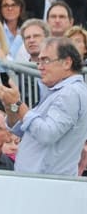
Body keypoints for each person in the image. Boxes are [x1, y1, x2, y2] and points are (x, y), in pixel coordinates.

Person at [7, 37, 87, 175]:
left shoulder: (70, 93)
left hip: (46, 185)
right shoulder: (58, 91)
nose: (40, 67)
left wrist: (18, 104)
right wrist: (12, 105)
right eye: (39, 61)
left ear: (67, 63)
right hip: (40, 183)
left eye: (46, 60)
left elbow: (47, 134)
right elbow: (21, 129)